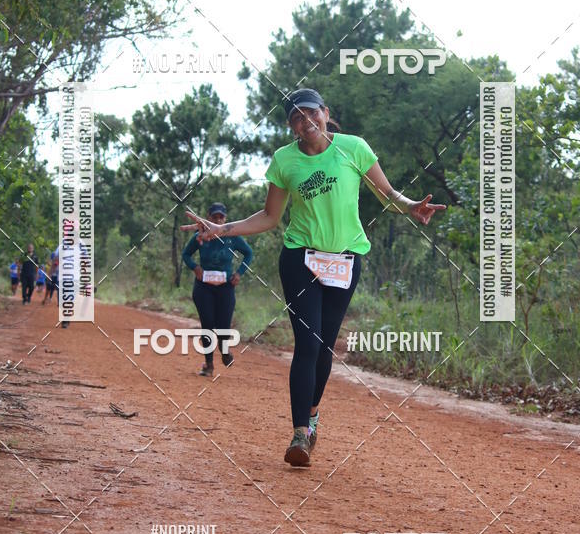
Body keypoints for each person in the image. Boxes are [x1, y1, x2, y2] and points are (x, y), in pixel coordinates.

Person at [182, 88, 446, 467]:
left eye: (310, 114)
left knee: (325, 347)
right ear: (292, 128)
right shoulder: (284, 161)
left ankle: (314, 412)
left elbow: (386, 192)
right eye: (295, 119)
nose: (304, 123)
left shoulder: (353, 148)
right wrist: (223, 230)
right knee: (307, 345)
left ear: (324, 112)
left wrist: (410, 207)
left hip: (345, 261)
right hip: (300, 260)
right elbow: (270, 217)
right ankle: (300, 434)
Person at [182, 202, 254, 377]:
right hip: (203, 287)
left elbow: (249, 253)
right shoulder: (200, 236)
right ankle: (208, 365)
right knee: (207, 324)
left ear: (225, 218)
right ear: (209, 217)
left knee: (223, 326)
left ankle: (224, 351)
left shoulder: (233, 236)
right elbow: (186, 254)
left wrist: (239, 273)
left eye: (221, 216)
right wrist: (195, 267)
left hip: (226, 287)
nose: (218, 219)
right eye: (215, 216)